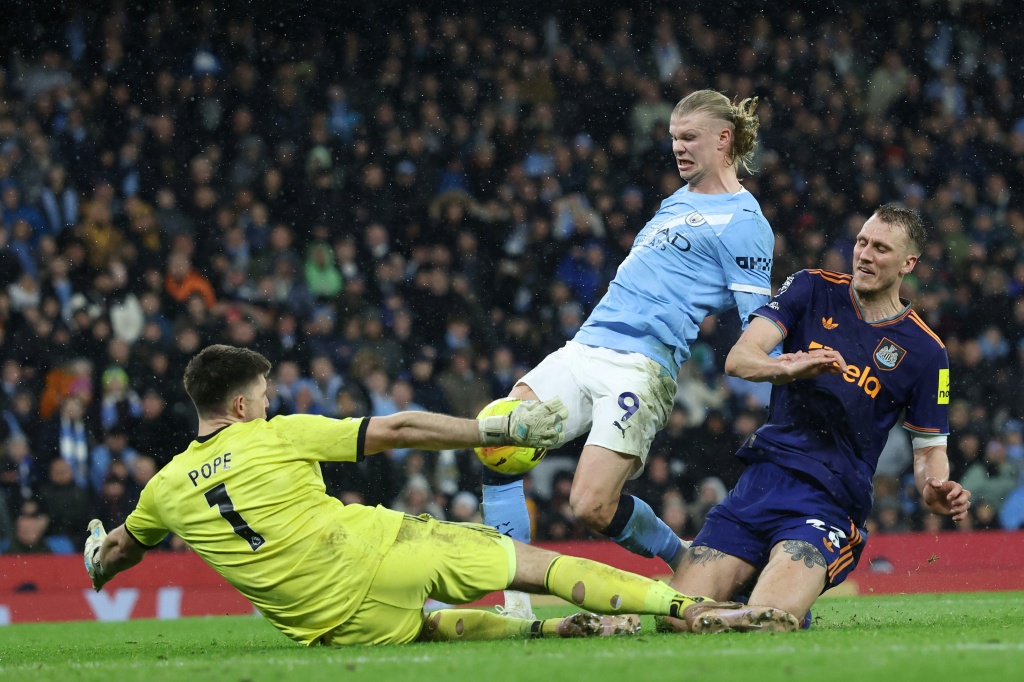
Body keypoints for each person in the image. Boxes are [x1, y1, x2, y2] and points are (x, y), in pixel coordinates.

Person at [83, 345, 780, 646]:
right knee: (530, 564)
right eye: (261, 400)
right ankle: (691, 607)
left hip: (324, 624)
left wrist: (94, 558)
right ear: (239, 407)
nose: (268, 407)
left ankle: (544, 632)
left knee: (423, 626)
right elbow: (399, 427)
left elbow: (114, 557)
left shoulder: (163, 490)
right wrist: (490, 427)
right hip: (376, 553)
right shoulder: (279, 434)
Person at [482, 89, 774, 618]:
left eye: (688, 138)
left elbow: (760, 319)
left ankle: (681, 558)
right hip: (585, 347)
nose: (677, 149)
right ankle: (515, 607)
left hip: (641, 368)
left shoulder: (745, 222)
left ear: (723, 139)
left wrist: (789, 366)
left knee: (590, 507)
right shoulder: (676, 200)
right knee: (498, 439)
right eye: (672, 139)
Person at [660, 204, 972, 633]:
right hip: (762, 481)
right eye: (862, 242)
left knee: (763, 622)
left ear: (908, 263)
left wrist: (932, 486)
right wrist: (791, 366)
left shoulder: (925, 351)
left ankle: (779, 592)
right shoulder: (810, 288)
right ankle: (757, 582)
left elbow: (930, 449)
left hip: (828, 503)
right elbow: (740, 358)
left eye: (881, 248)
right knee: (676, 621)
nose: (864, 254)